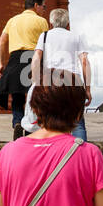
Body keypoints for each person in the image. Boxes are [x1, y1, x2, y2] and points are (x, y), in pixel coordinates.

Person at [25, 8, 90, 140]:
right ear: (67, 24)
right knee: (77, 122)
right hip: (73, 81)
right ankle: (79, 151)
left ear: (51, 23)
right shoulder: (76, 37)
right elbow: (84, 62)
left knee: (50, 117)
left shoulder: (45, 35)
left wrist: (36, 82)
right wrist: (87, 89)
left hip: (51, 81)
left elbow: (36, 58)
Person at [0, 0, 50, 139]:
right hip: (34, 57)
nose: (44, 10)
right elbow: (45, 44)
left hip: (15, 59)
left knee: (17, 95)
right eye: (43, 7)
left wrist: (2, 63)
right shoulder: (41, 21)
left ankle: (18, 122)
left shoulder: (12, 21)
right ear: (36, 6)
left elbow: (1, 42)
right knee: (36, 94)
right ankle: (33, 127)